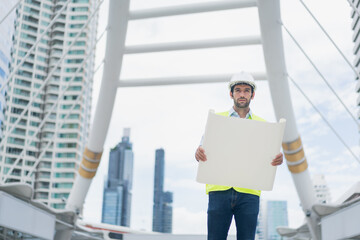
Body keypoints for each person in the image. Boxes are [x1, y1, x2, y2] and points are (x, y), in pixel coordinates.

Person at [195, 72, 283, 240]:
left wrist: (278, 158)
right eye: (238, 90)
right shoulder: (216, 120)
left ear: (252, 94)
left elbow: (269, 157)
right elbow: (202, 149)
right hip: (219, 190)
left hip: (249, 192)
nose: (242, 94)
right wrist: (198, 152)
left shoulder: (263, 125)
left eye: (246, 90)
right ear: (231, 94)